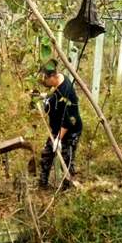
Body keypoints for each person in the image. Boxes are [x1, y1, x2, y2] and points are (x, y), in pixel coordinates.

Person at [38, 60, 82, 189]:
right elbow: (54, 95)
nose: (44, 82)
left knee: (66, 159)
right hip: (57, 128)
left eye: (45, 79)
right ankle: (42, 184)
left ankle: (66, 189)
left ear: (52, 76)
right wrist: (43, 96)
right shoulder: (59, 80)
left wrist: (59, 138)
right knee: (47, 154)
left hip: (70, 130)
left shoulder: (67, 91)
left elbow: (69, 120)